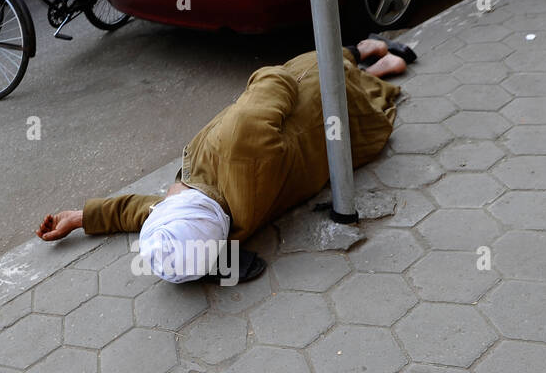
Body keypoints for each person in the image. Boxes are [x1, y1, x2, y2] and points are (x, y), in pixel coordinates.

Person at [36, 37, 414, 282]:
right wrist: (246, 99)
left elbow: (140, 212)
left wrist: (81, 218)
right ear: (178, 202)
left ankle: (383, 68)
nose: (158, 201)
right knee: (322, 63)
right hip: (329, 101)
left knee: (357, 89)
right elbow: (276, 81)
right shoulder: (235, 143)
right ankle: (364, 51)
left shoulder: (225, 229)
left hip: (347, 144)